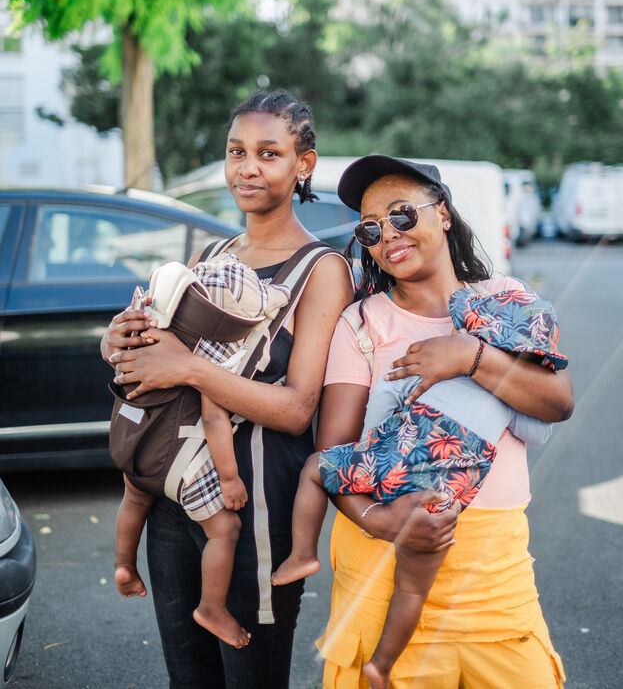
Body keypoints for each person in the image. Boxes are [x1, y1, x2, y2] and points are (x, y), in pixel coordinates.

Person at [101, 90, 357, 689]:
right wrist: (117, 343)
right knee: (187, 677)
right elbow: (153, 357)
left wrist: (189, 370)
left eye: (269, 153)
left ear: (304, 164)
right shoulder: (210, 255)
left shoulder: (321, 271)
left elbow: (297, 410)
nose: (248, 168)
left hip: (253, 509)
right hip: (174, 492)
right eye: (237, 151)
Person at [312, 155, 574, 689]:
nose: (388, 234)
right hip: (383, 564)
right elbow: (332, 454)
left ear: (445, 214)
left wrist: (471, 358)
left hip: (492, 576)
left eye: (402, 214)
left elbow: (558, 402)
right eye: (370, 229)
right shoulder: (360, 324)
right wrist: (380, 521)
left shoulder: (504, 300)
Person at [272, 274, 567, 688]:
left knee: (315, 468)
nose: (390, 240)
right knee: (411, 590)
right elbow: (537, 430)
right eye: (371, 236)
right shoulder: (492, 378)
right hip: (444, 496)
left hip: (397, 471)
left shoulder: (440, 355)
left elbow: (389, 393)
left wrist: (376, 446)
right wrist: (506, 389)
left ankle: (303, 553)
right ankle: (381, 664)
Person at [113, 253, 292, 651]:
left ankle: (124, 564)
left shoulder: (154, 323)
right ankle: (212, 608)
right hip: (181, 463)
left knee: (134, 500)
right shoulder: (217, 353)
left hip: (135, 443)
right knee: (224, 531)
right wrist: (229, 478)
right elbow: (213, 419)